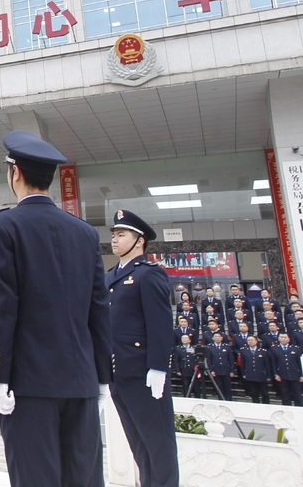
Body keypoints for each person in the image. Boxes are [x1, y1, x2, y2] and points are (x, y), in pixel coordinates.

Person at [0, 131, 111, 487]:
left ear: (15, 174)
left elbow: (1, 306)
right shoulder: (85, 233)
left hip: (29, 384)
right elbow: (98, 308)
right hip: (81, 381)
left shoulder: (3, 227)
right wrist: (102, 376)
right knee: (81, 479)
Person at [104, 209, 177, 487]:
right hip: (119, 373)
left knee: (158, 444)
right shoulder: (111, 276)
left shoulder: (149, 274)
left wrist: (159, 367)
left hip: (145, 375)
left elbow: (160, 324)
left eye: (122, 234)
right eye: (114, 234)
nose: (115, 239)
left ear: (140, 241)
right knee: (139, 445)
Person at [270, 332, 303, 406]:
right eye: (281, 337)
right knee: (285, 394)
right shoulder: (275, 349)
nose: (283, 339)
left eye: (285, 337)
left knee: (297, 393)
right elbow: (273, 362)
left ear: (289, 339)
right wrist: (276, 374)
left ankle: (299, 408)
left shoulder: (296, 349)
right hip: (282, 374)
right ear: (278, 339)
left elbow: (299, 363)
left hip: (295, 374)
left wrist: (301, 375)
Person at [240, 335, 272, 404]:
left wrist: (269, 375)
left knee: (264, 393)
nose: (250, 342)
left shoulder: (263, 351)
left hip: (261, 374)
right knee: (254, 393)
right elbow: (243, 363)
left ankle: (266, 405)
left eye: (252, 340)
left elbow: (267, 364)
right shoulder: (244, 351)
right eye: (249, 340)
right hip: (250, 374)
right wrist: (244, 373)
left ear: (256, 341)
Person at [207, 331, 234, 401]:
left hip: (226, 369)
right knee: (219, 386)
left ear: (222, 338)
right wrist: (211, 370)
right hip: (216, 370)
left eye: (219, 336)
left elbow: (231, 359)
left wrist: (232, 370)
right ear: (213, 338)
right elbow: (209, 360)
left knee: (227, 386)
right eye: (216, 336)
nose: (217, 338)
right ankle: (221, 399)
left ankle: (228, 399)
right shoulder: (210, 347)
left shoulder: (227, 347)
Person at [173, 334, 203, 398]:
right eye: (182, 338)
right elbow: (176, 361)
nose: (184, 340)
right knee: (186, 386)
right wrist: (178, 370)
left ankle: (197, 398)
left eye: (186, 338)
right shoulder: (178, 349)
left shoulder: (194, 348)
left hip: (193, 370)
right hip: (184, 370)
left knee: (196, 386)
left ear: (189, 340)